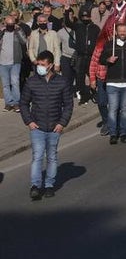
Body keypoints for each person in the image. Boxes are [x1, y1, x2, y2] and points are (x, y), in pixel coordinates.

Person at [22, 51, 74, 200]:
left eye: (43, 65)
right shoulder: (32, 82)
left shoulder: (62, 82)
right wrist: (29, 121)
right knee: (37, 156)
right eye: (38, 64)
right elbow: (24, 103)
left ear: (50, 65)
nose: (40, 67)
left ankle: (49, 185)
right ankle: (35, 186)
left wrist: (62, 123)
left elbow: (68, 105)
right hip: (37, 127)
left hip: (54, 127)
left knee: (51, 157)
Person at [100, 22, 126, 145]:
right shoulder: (109, 45)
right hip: (112, 82)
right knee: (113, 109)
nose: (122, 33)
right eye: (120, 31)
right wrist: (108, 59)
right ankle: (113, 133)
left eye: (124, 31)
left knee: (125, 109)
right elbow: (101, 59)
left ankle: (124, 133)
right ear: (116, 32)